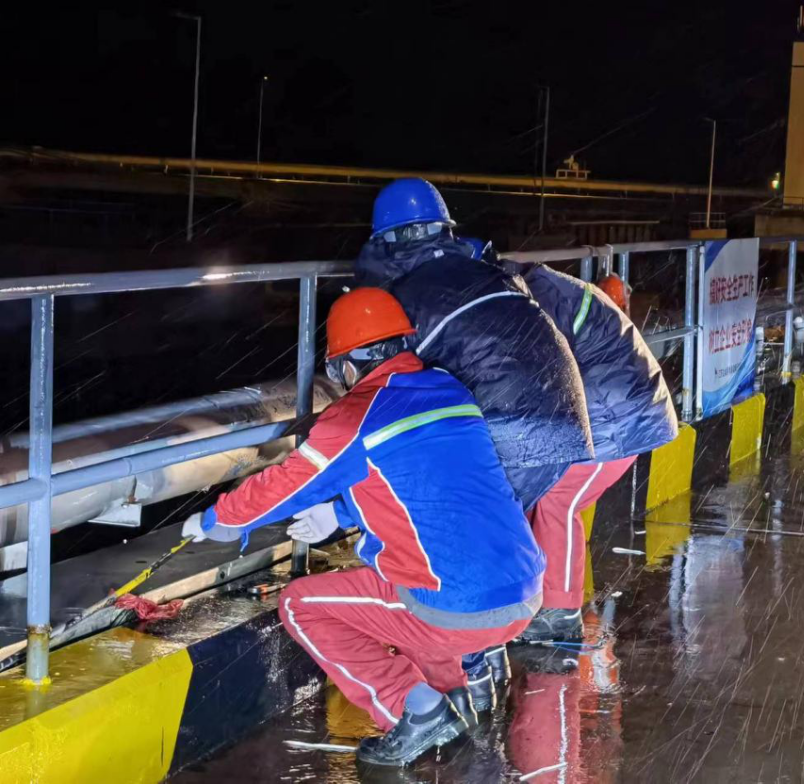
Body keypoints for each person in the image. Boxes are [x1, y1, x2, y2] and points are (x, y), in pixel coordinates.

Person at [181, 288, 545, 767]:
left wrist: (219, 520)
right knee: (408, 587)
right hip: (524, 590)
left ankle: (414, 714)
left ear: (345, 368)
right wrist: (340, 514)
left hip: (459, 606)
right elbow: (422, 479)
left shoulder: (354, 416)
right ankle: (456, 697)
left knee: (303, 605)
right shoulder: (448, 389)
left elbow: (288, 484)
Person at [354, 178, 594, 515]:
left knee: (430, 506)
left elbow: (392, 381)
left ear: (384, 241)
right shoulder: (488, 271)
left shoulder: (405, 297)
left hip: (511, 438)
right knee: (496, 524)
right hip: (567, 424)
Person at [487, 254, 677, 643]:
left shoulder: (536, 302)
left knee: (558, 502)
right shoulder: (551, 290)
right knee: (548, 501)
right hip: (621, 410)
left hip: (615, 419)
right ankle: (545, 601)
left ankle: (559, 612)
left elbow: (534, 373)